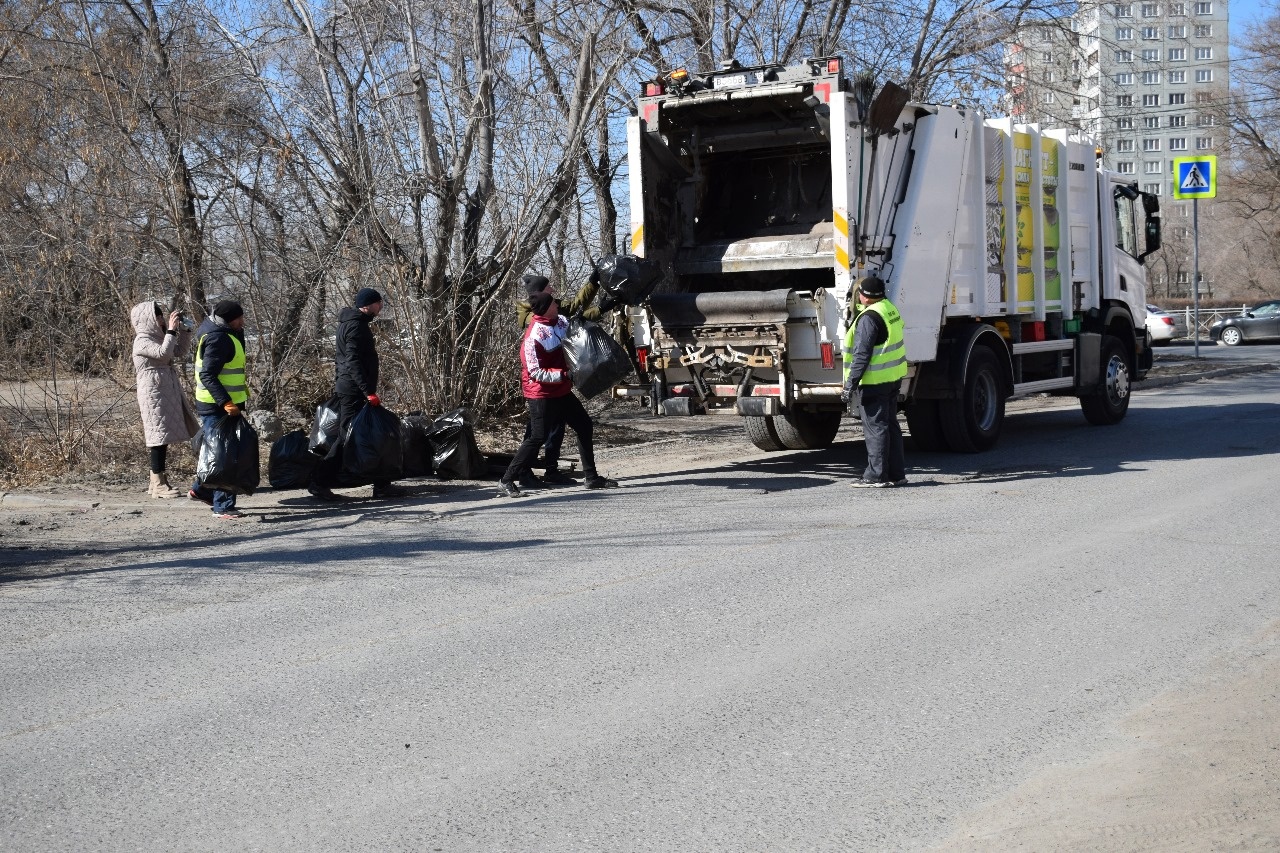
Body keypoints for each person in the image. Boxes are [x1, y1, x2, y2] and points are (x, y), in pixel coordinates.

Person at [498, 290, 618, 497]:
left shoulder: (560, 321)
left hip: (561, 389)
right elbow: (535, 373)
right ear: (546, 308)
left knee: (584, 425)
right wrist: (565, 374)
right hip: (541, 393)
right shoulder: (533, 336)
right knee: (537, 437)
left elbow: (578, 323)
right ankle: (507, 479)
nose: (558, 304)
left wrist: (603, 308)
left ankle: (591, 478)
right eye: (554, 303)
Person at [310, 287, 402, 501]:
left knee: (366, 434)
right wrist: (367, 391)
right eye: (379, 303)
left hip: (350, 388)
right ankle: (319, 481)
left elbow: (341, 361)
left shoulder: (351, 323)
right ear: (368, 304)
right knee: (348, 437)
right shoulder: (355, 326)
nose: (381, 307)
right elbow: (351, 361)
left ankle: (381, 484)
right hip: (354, 391)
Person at [840, 275, 908, 488]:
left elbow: (862, 354)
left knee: (876, 428)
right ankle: (897, 474)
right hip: (892, 378)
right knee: (890, 426)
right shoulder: (889, 309)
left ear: (865, 296)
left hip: (875, 381)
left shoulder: (869, 318)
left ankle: (875, 476)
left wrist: (850, 384)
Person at [130, 301, 198, 498]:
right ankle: (158, 483)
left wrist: (184, 331)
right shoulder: (142, 340)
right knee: (157, 437)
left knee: (162, 437)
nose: (161, 319)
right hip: (153, 392)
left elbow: (177, 352)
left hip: (164, 391)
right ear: (147, 319)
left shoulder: (158, 337)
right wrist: (170, 330)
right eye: (157, 316)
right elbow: (163, 353)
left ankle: (157, 481)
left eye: (161, 316)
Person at [189, 300, 250, 519]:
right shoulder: (219, 338)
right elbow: (207, 374)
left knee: (216, 453)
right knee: (224, 457)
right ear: (227, 319)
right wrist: (225, 402)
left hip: (218, 405)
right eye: (238, 318)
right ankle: (223, 506)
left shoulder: (220, 332)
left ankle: (201, 489)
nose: (242, 322)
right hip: (218, 406)